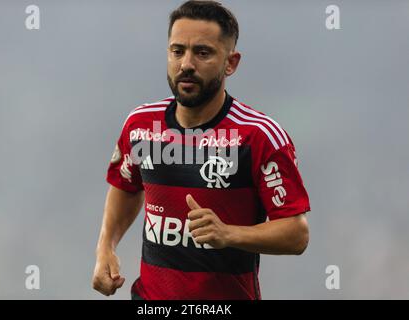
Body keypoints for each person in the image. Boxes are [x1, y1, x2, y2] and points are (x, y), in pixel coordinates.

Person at [92, 0, 310, 300]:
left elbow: (296, 234)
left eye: (202, 52)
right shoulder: (141, 124)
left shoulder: (258, 136)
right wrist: (106, 247)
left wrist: (229, 233)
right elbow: (126, 186)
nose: (186, 64)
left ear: (230, 63)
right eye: (177, 51)